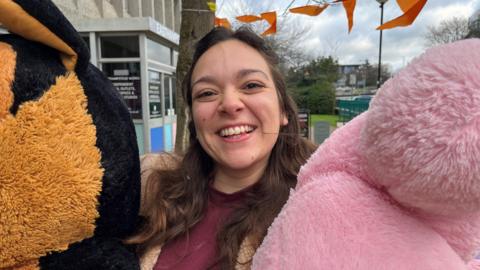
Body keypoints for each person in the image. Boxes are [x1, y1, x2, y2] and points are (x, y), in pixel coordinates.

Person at [127, 26, 316, 270]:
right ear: (194, 118)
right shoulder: (149, 192)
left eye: (251, 85)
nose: (229, 104)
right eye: (207, 93)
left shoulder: (319, 207)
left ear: (282, 110)